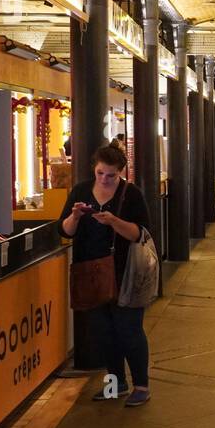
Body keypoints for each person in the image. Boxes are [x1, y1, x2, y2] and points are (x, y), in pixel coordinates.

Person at [58, 144, 153, 407]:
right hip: (91, 273)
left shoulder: (131, 194)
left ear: (120, 172)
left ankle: (141, 385)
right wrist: (75, 217)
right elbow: (65, 231)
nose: (104, 179)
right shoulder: (80, 191)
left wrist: (113, 221)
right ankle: (116, 383)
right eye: (100, 173)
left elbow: (140, 233)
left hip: (125, 274)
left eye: (110, 175)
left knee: (129, 330)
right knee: (103, 331)